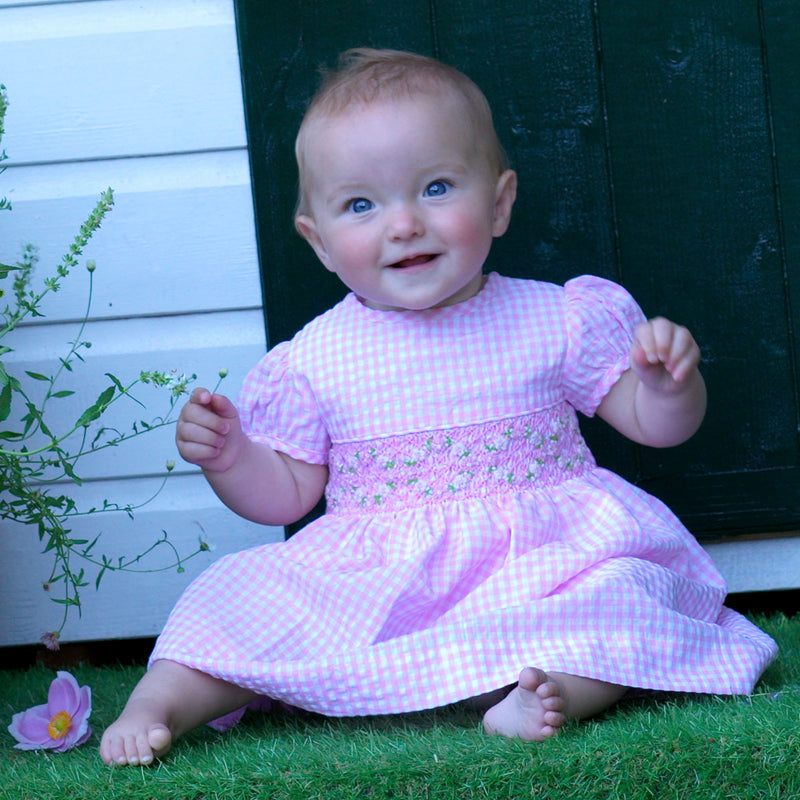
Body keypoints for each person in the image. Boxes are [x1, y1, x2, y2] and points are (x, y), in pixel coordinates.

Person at [100, 47, 777, 766]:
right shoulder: (314, 357)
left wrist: (670, 387)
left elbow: (653, 426)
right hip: (379, 583)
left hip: (546, 565)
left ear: (500, 201)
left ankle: (549, 692)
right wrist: (232, 457)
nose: (403, 224)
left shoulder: (555, 317)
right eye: (361, 205)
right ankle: (161, 701)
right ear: (319, 241)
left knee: (623, 594)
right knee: (237, 596)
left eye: (436, 188)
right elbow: (287, 494)